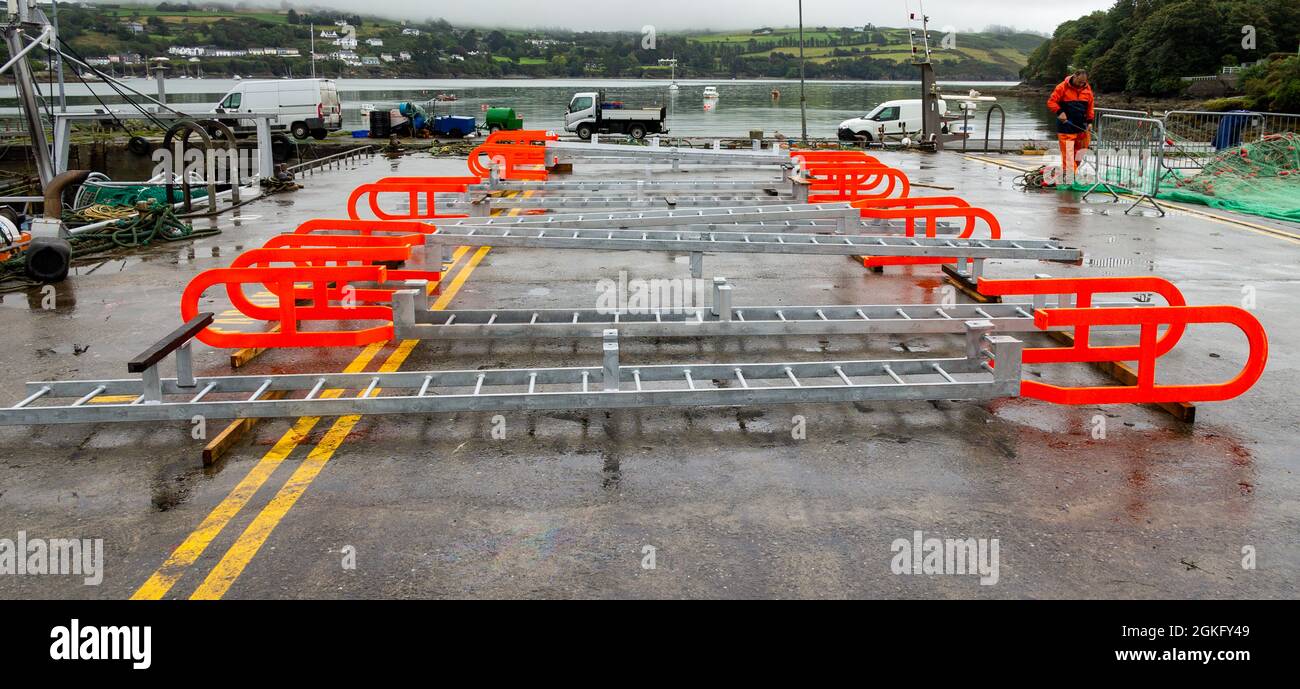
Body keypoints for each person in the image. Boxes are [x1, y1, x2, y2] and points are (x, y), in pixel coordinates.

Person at [1047, 69, 1095, 181]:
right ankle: (1071, 177)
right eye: (1079, 82)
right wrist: (1060, 112)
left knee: (1080, 153)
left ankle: (1069, 173)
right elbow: (1051, 102)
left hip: (1081, 127)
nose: (1081, 85)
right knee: (1069, 155)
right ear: (1075, 76)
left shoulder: (1087, 89)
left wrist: (1090, 121)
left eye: (1083, 83)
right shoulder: (1062, 87)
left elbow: (1090, 107)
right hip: (1066, 127)